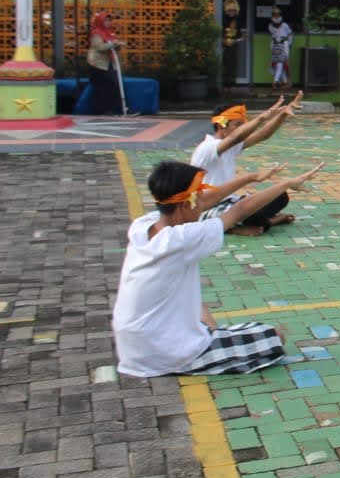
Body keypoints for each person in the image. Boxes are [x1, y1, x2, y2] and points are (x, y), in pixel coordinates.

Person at [112, 159, 323, 377]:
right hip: (164, 352)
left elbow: (203, 203)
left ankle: (204, 338)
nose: (205, 200)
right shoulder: (182, 239)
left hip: (136, 344)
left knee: (205, 315)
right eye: (200, 194)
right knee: (274, 336)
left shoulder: (144, 225)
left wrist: (250, 178)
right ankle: (198, 351)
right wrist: (285, 184)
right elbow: (239, 211)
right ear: (186, 205)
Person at [190, 92, 303, 235]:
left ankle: (258, 222)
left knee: (280, 197)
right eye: (238, 124)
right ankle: (250, 225)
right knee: (253, 215)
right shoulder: (208, 147)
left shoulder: (230, 146)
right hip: (206, 208)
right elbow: (235, 137)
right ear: (221, 125)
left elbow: (262, 135)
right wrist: (262, 117)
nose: (242, 128)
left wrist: (283, 114)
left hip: (231, 202)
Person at [87, 11, 127, 115]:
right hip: (98, 64)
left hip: (109, 63)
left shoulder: (109, 33)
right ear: (100, 21)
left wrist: (117, 45)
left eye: (109, 20)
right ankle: (101, 110)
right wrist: (114, 44)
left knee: (114, 85)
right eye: (106, 20)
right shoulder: (96, 33)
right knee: (102, 88)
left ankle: (114, 109)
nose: (108, 22)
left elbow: (112, 47)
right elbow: (100, 47)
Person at [268, 8, 293, 91]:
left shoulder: (285, 25)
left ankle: (275, 82)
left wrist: (288, 44)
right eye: (274, 14)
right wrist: (272, 46)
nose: (276, 16)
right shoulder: (270, 26)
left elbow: (290, 35)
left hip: (284, 45)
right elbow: (273, 36)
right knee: (278, 64)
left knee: (282, 63)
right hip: (275, 45)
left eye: (278, 14)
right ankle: (285, 83)